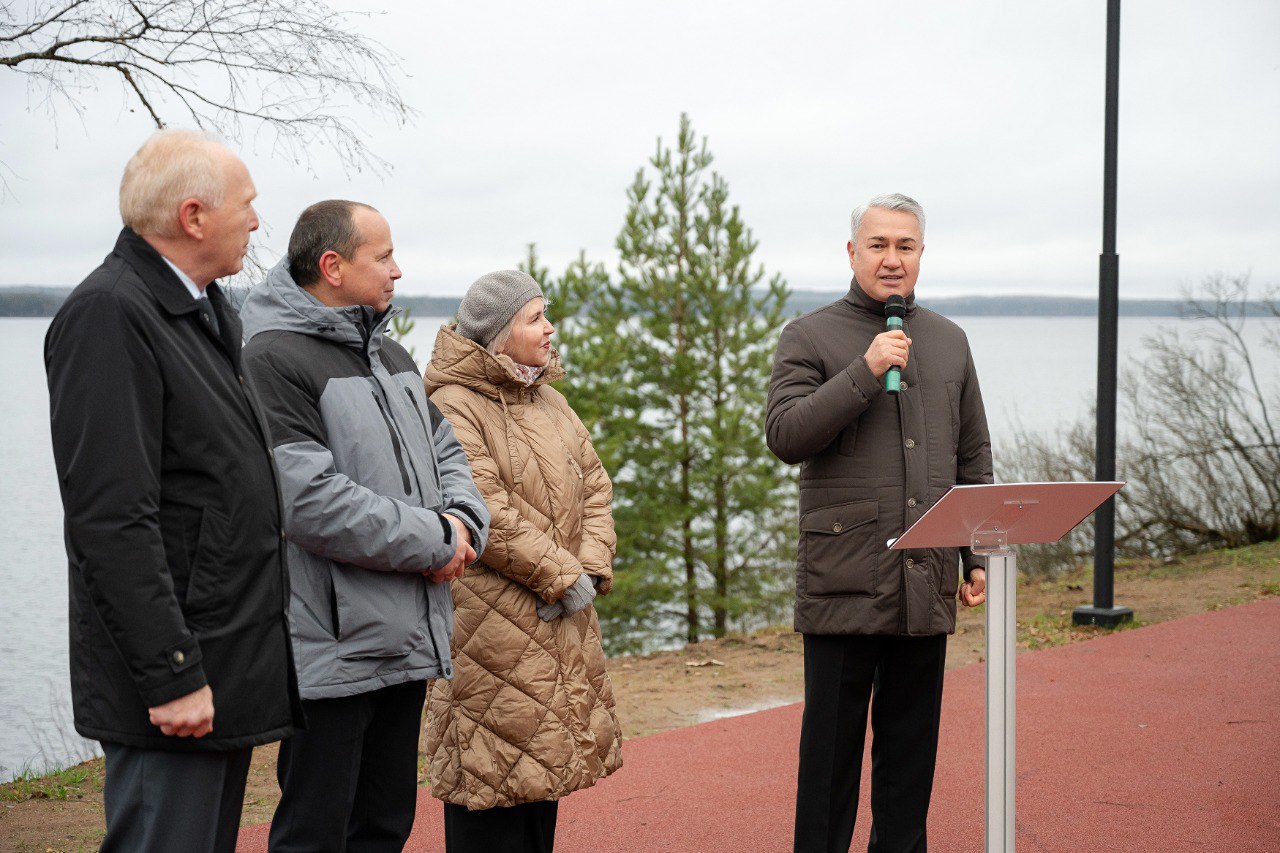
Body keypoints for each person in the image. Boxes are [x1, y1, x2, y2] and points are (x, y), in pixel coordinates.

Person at [44, 129, 302, 852]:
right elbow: (110, 519)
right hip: (177, 677)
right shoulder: (110, 314)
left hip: (224, 664)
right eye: (247, 205)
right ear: (194, 216)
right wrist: (171, 672)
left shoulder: (207, 310)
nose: (257, 221)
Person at [236, 199, 490, 851]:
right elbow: (310, 501)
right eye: (383, 256)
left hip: (406, 635)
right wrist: (435, 540)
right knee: (315, 834)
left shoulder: (393, 357)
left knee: (383, 827)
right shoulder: (272, 358)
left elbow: (449, 453)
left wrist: (462, 521)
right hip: (332, 646)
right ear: (333, 265)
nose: (398, 271)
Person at [766, 193, 993, 853]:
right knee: (828, 771)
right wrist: (865, 370)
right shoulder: (809, 335)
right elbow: (786, 434)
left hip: (925, 584)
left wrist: (974, 555)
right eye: (878, 245)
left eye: (905, 246)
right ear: (852, 252)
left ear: (921, 253)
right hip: (843, 584)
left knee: (908, 768)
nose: (892, 259)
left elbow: (973, 454)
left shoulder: (950, 341)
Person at [423, 270, 623, 852]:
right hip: (488, 628)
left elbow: (595, 486)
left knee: (540, 782)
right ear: (498, 332)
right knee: (488, 785)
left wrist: (587, 567)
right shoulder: (452, 405)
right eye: (535, 317)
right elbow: (486, 507)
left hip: (557, 619)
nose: (549, 328)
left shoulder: (550, 401)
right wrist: (564, 575)